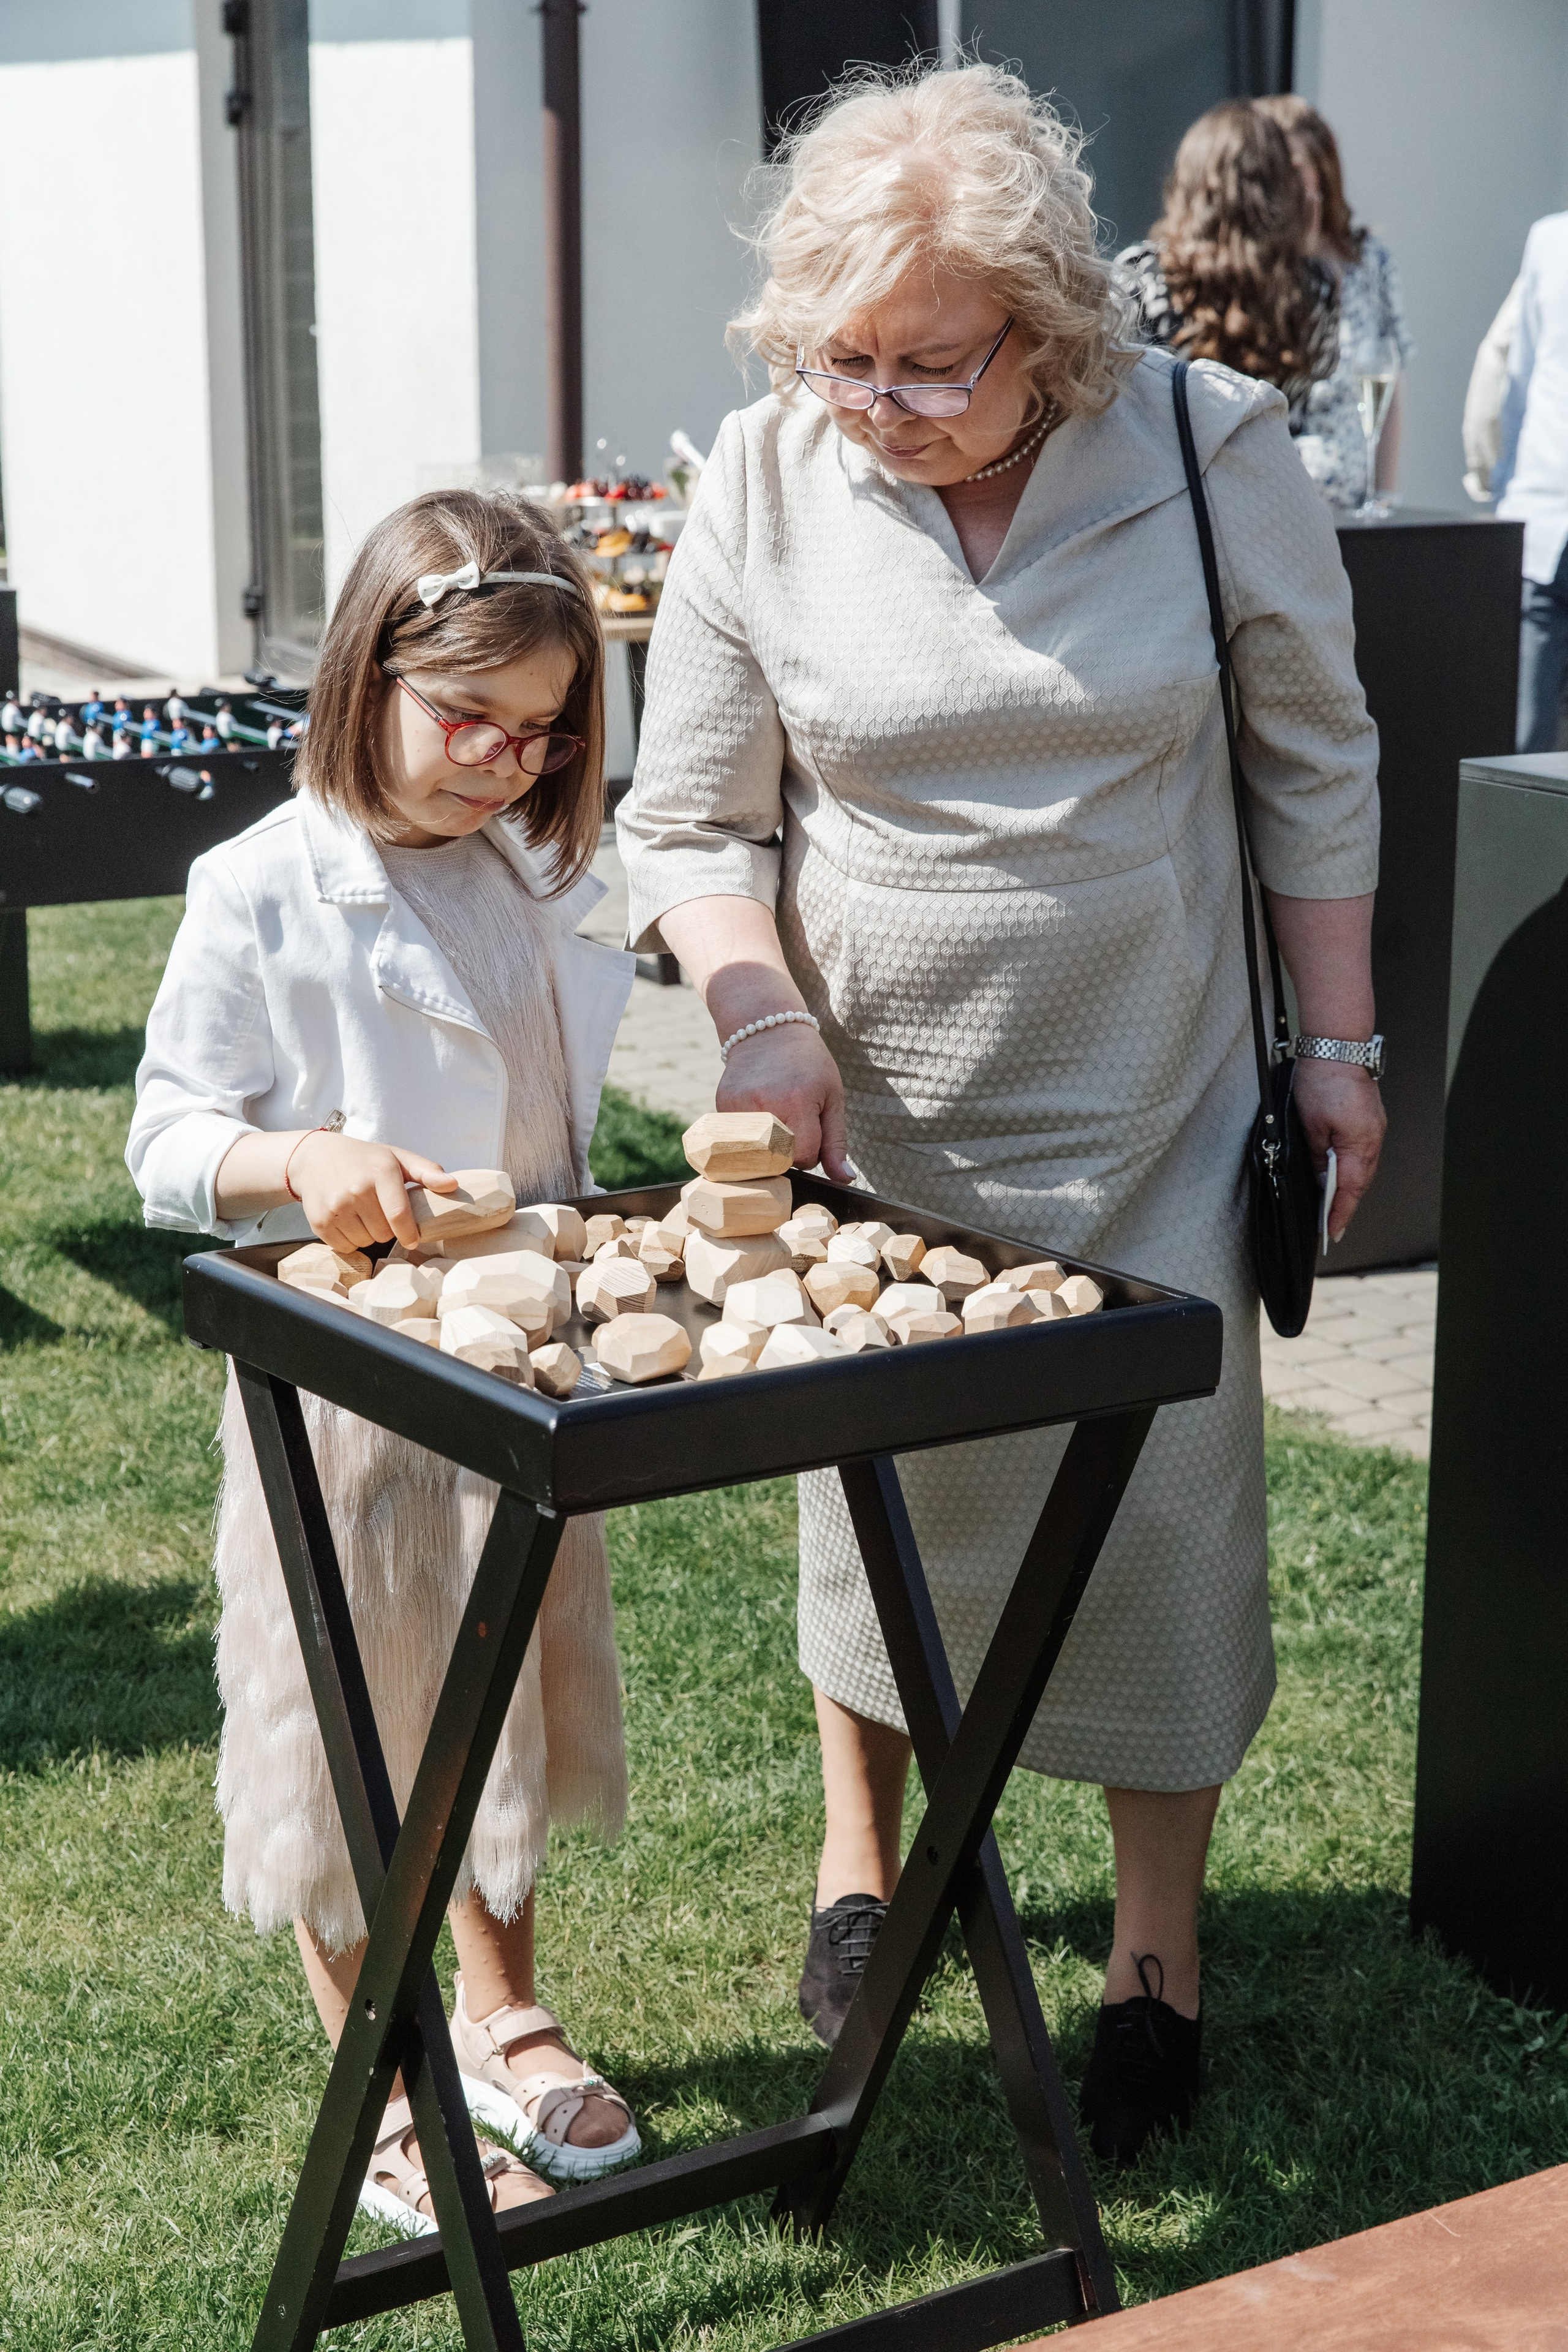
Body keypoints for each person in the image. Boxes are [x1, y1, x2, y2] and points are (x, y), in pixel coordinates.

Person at [618, 61, 1384, 2165]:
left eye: (934, 364)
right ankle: (864, 1860)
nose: (882, 403)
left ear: (1048, 328)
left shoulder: (1212, 452)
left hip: (1157, 1099)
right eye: (844, 358)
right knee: (884, 1506)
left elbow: (1314, 758)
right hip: (883, 1134)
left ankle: (1156, 1951)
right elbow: (689, 818)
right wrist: (758, 1018)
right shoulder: (765, 478)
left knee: (1160, 1516)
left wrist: (1338, 1047)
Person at [126, 490, 641, 2231]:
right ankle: (385, 2074)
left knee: (504, 1694)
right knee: (352, 1724)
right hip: (347, 1394)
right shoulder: (261, 888)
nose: (506, 761)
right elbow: (163, 1141)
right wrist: (300, 1159)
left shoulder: (532, 874)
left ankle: (496, 2002)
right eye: (469, 718)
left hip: (519, 1376)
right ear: (368, 675)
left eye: (544, 732)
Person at [1117, 100, 1339, 435]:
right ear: (1283, 190)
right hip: (1271, 468)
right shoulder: (1316, 288)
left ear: (1189, 186)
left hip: (1167, 470)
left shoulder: (1142, 278)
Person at [1256, 96, 1414, 510]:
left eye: (1294, 169)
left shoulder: (1369, 261)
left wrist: (1384, 497)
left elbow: (1389, 383)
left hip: (1355, 507)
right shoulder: (1252, 270)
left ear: (1322, 172)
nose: (1283, 183)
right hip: (1283, 510)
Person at [1492, 213, 1568, 750]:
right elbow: (1519, 385)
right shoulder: (1550, 239)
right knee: (1519, 756)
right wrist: (1508, 504)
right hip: (1542, 531)